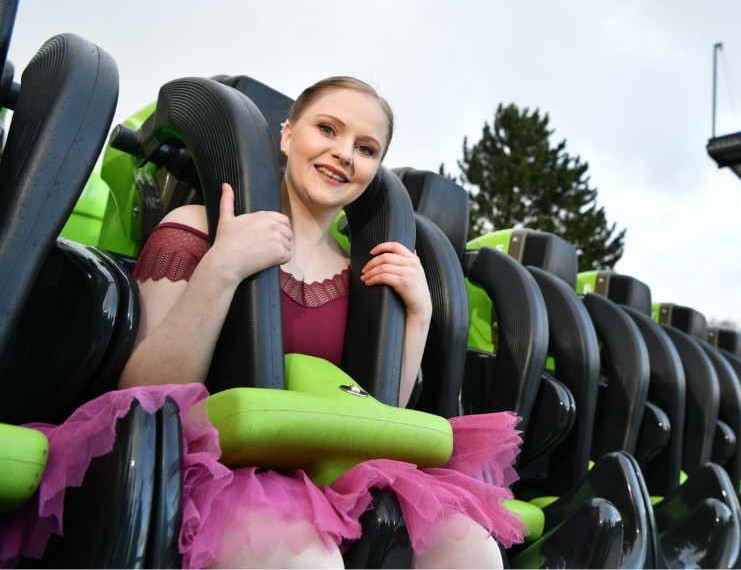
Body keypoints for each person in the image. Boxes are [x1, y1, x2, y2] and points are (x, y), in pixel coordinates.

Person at [0, 77, 524, 569]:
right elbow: (145, 388)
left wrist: (418, 314)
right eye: (327, 129)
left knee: (470, 550)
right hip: (208, 471)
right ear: (288, 134)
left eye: (366, 148)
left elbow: (379, 416)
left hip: (332, 477)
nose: (344, 152)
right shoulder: (198, 226)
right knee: (304, 557)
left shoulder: (363, 275)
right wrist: (223, 266)